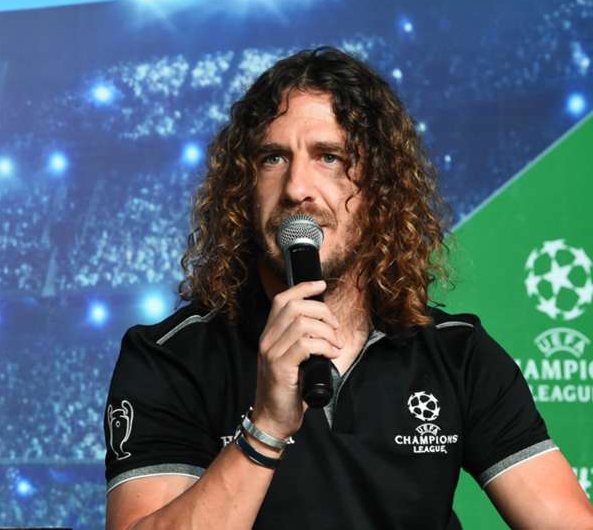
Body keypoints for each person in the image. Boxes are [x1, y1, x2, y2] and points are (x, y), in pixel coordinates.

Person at [103, 47, 593, 529]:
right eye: (273, 157)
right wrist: (266, 428)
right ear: (243, 188)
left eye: (329, 157)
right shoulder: (169, 358)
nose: (297, 187)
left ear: (380, 189)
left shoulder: (457, 355)